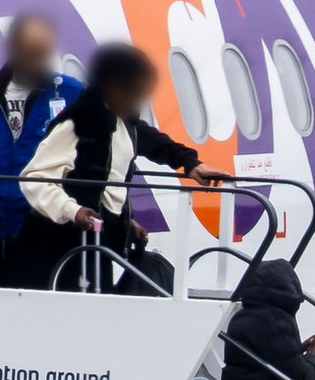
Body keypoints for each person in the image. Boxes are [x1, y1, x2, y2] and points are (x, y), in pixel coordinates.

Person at [20, 43, 229, 290]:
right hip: (64, 247)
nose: (139, 98)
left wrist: (190, 164)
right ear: (111, 88)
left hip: (98, 244)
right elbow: (34, 178)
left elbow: (148, 142)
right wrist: (72, 211)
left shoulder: (122, 121)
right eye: (134, 91)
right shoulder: (77, 125)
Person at [0, 13, 84, 288]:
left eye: (45, 54)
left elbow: (107, 151)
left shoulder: (71, 94)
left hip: (41, 230)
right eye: (33, 53)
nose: (40, 62)